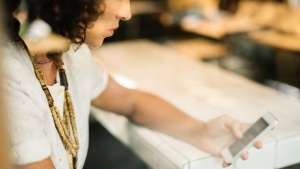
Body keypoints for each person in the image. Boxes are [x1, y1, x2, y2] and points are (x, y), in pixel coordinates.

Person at [3, 0, 262, 169]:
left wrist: (202, 132)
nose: (126, 13)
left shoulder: (72, 54)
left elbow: (131, 102)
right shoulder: (10, 77)